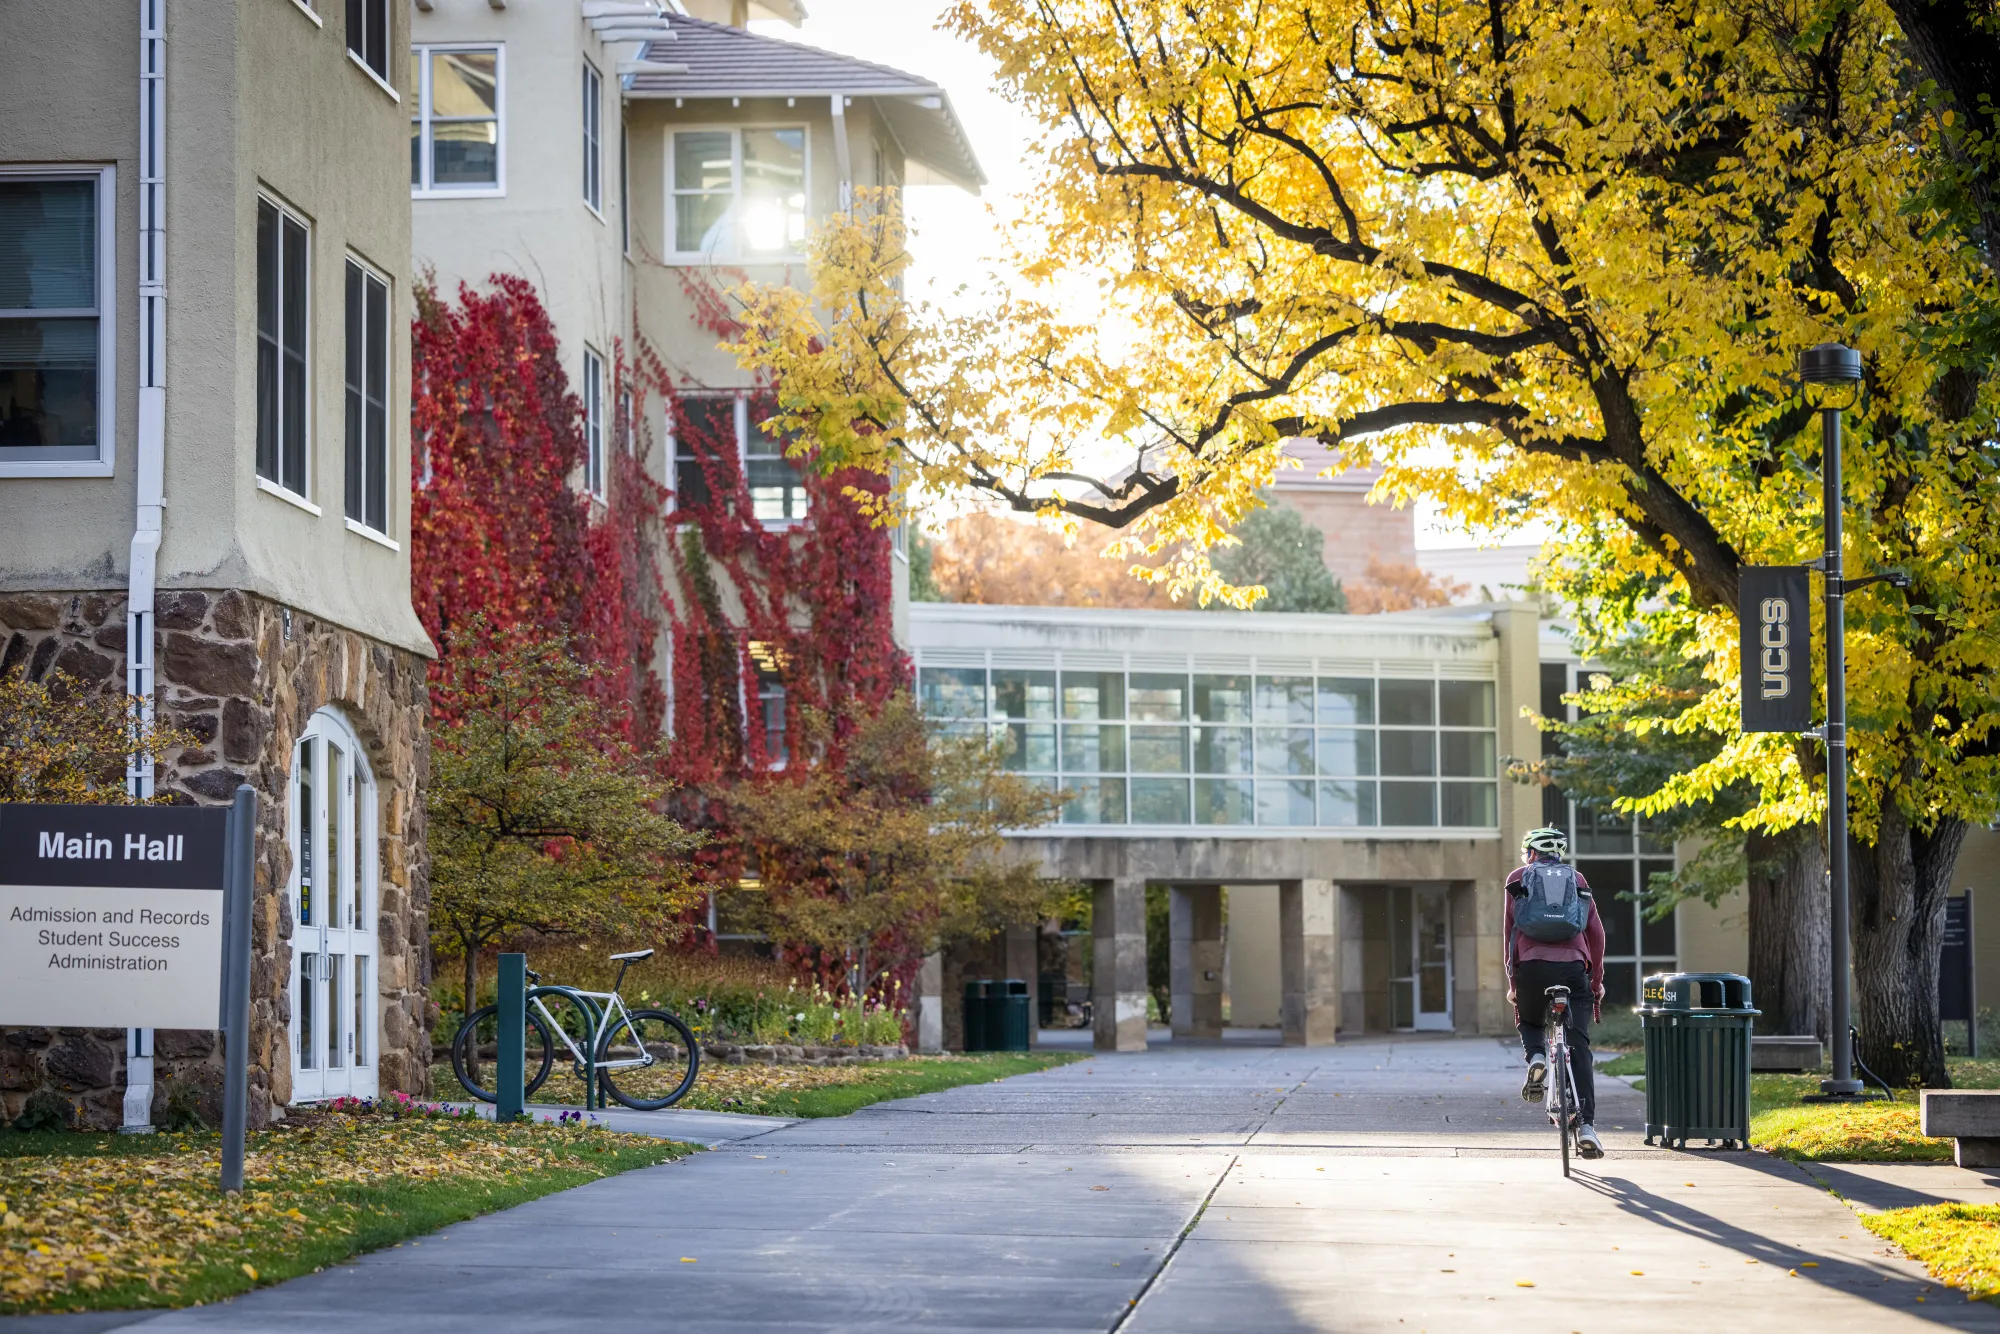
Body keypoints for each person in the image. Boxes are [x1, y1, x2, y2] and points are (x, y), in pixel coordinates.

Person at [1505, 826, 1607, 1159]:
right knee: (1579, 1045)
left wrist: (1513, 983)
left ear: (1530, 852)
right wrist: (1596, 983)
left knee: (1531, 1019)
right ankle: (1588, 1126)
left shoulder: (1519, 878)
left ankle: (1536, 1056)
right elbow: (1596, 934)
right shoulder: (1577, 880)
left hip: (1532, 969)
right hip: (1574, 971)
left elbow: (1509, 931)